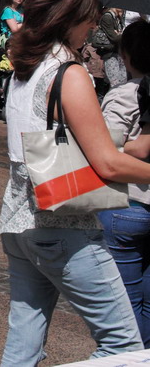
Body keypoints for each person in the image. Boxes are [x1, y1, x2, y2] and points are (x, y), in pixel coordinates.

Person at [0, 0, 150, 366]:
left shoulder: (23, 67)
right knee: (125, 349)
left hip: (18, 222)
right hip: (63, 224)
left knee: (23, 344)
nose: (93, 27)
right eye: (90, 18)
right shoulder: (70, 72)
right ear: (69, 18)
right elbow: (107, 163)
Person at [99, 20, 150, 347]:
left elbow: (105, 151)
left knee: (125, 304)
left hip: (127, 205)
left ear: (126, 55)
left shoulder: (125, 95)